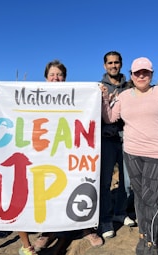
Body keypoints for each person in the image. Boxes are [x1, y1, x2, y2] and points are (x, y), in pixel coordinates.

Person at [100, 57, 158, 255]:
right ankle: (143, 235)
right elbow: (110, 117)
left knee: (151, 199)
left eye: (145, 72)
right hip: (132, 153)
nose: (141, 76)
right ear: (132, 75)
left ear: (151, 74)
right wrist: (104, 100)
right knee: (140, 198)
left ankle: (151, 241)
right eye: (137, 73)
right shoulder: (124, 96)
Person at [32, 60, 103, 253]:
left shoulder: (76, 95)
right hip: (46, 153)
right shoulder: (36, 96)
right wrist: (1, 91)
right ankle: (48, 232)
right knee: (48, 190)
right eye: (52, 75)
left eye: (59, 75)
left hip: (73, 150)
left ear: (65, 78)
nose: (56, 78)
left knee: (77, 184)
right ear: (46, 78)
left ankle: (86, 227)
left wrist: (99, 92)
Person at [98, 51, 136, 239]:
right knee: (105, 181)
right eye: (110, 63)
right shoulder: (98, 87)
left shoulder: (130, 86)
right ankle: (105, 219)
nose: (113, 65)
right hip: (106, 140)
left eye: (116, 62)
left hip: (127, 138)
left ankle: (120, 212)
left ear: (121, 64)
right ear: (105, 66)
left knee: (127, 182)